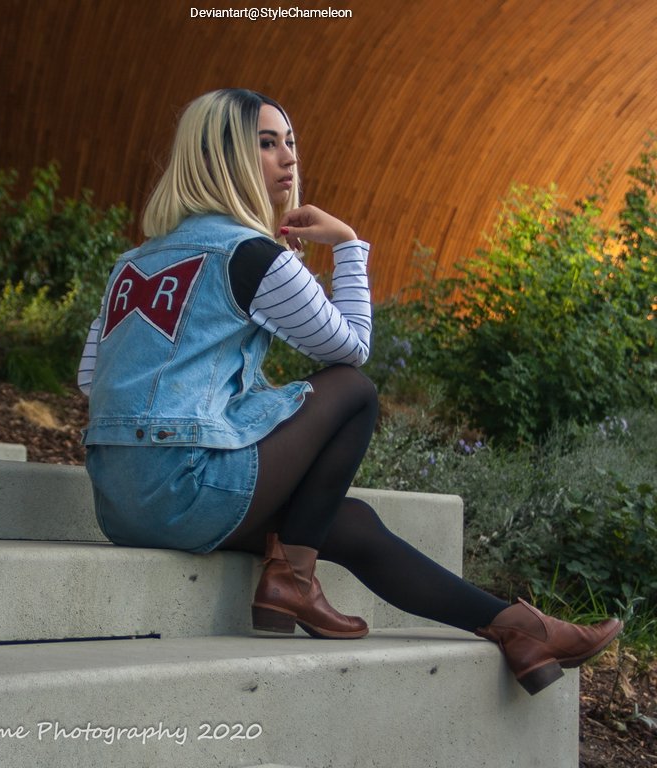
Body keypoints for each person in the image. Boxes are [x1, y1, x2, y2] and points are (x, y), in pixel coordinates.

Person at [77, 88, 622, 695]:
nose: (288, 158)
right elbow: (351, 351)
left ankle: (519, 629)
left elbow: (89, 380)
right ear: (220, 153)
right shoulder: (252, 254)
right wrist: (347, 247)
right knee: (353, 391)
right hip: (186, 486)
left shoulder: (134, 262)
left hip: (121, 503)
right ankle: (294, 583)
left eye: (291, 142)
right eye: (265, 142)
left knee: (353, 523)